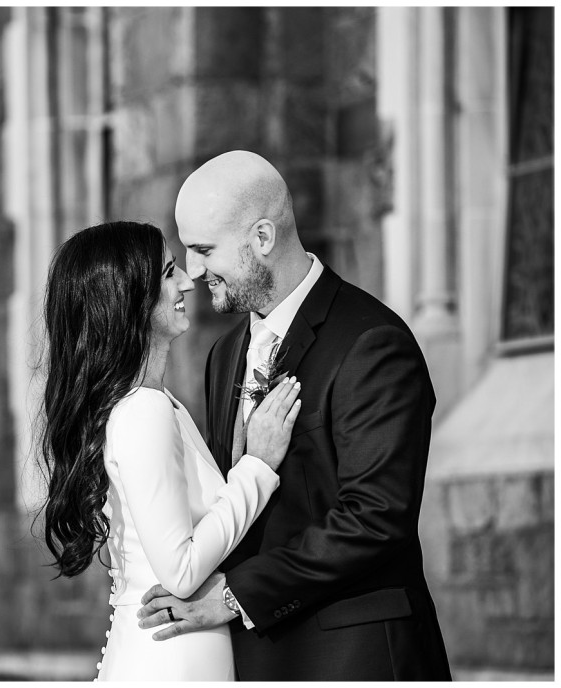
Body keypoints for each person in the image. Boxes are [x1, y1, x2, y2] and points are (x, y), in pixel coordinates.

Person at [137, 151, 453, 680]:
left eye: (204, 250)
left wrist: (237, 595)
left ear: (262, 238)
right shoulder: (225, 352)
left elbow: (375, 517)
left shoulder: (371, 343)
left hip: (354, 656)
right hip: (259, 658)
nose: (191, 273)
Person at [38, 220, 302, 681]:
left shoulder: (155, 403)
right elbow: (180, 571)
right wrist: (258, 467)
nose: (186, 281)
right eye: (167, 273)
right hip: (170, 659)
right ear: (127, 298)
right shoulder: (144, 409)